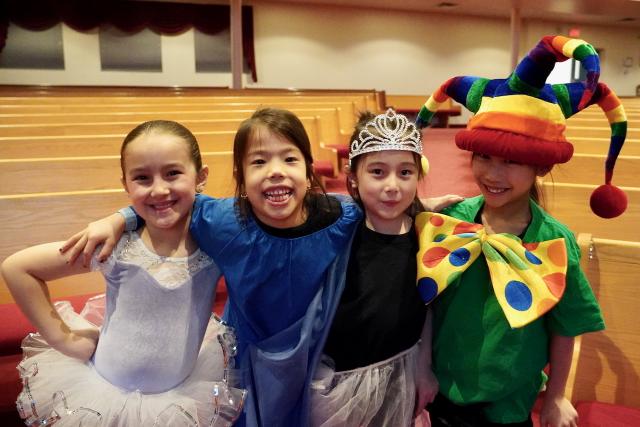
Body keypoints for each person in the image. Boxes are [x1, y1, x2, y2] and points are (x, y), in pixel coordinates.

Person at [60, 107, 459, 427]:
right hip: (244, 357)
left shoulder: (337, 217)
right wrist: (119, 218)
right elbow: (172, 201)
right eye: (259, 161)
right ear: (240, 174)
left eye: (289, 159)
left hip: (308, 356)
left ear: (309, 170)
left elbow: (379, 203)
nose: (275, 171)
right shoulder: (222, 221)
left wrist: (422, 205)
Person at [413, 35, 628, 426]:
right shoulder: (453, 218)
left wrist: (556, 396)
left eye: (512, 162)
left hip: (510, 405)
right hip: (441, 392)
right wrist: (422, 367)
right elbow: (426, 302)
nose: (493, 174)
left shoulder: (554, 240)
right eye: (483, 157)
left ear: (541, 166)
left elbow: (564, 327)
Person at [1, 120, 245, 426]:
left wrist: (121, 216)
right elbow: (18, 268)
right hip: (106, 393)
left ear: (201, 176)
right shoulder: (115, 245)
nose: (159, 189)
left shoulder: (216, 244)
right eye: (142, 178)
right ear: (126, 185)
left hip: (179, 396)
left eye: (173, 173)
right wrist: (62, 340)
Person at [310, 109, 456, 426]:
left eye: (405, 173)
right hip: (340, 382)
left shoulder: (425, 234)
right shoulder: (338, 228)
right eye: (377, 172)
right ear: (352, 177)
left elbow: (427, 306)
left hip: (401, 374)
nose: (392, 186)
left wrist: (424, 367)